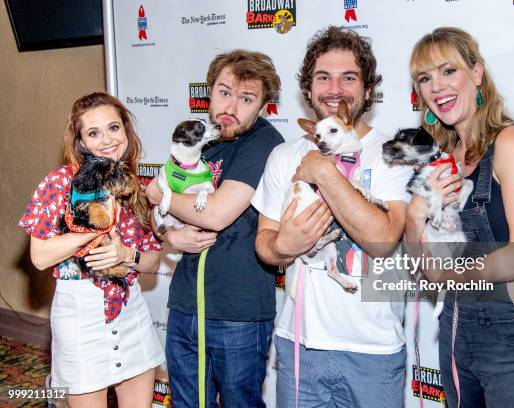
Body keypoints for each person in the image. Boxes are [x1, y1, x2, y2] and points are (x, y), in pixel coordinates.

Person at [405, 27, 514, 407]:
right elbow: (425, 271)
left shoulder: (512, 142)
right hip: (454, 329)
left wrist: (453, 275)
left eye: (448, 71)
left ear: (477, 73)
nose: (437, 87)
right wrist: (415, 219)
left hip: (513, 334)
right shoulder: (441, 158)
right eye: (425, 78)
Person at [252, 26, 411, 407]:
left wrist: (322, 171)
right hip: (300, 345)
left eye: (349, 78)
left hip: (373, 349)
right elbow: (264, 243)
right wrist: (281, 246)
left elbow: (382, 239)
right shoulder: (283, 156)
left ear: (369, 89)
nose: (334, 89)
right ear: (307, 89)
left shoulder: (394, 152)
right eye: (323, 77)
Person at [146, 50, 283, 407]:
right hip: (184, 305)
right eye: (223, 92)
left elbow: (217, 214)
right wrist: (167, 234)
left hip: (238, 313)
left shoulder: (264, 144)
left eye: (246, 98)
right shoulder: (199, 142)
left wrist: (158, 193)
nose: (231, 106)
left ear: (264, 104)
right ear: (209, 92)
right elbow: (156, 218)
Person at [19, 92, 164, 407]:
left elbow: (152, 262)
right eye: (94, 133)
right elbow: (40, 256)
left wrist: (127, 255)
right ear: (81, 142)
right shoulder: (60, 183)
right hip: (79, 317)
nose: (107, 140)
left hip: (130, 313)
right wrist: (92, 229)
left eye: (114, 128)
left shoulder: (136, 186)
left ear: (126, 130)